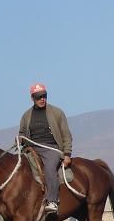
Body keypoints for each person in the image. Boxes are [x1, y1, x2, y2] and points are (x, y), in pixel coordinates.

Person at [18, 83, 73, 212]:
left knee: (49, 169)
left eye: (44, 96)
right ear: (32, 99)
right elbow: (22, 132)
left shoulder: (57, 112)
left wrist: (67, 154)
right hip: (31, 149)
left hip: (51, 148)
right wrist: (20, 138)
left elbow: (66, 134)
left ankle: (52, 201)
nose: (42, 99)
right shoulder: (26, 116)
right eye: (38, 97)